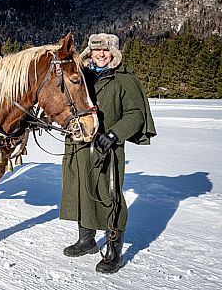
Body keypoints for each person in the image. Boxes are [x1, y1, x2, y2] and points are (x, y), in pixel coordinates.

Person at [60, 33, 156, 274]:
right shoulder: (82, 77)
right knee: (82, 190)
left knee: (110, 195)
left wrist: (114, 134)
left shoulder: (124, 80)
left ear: (113, 52)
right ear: (89, 53)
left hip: (107, 148)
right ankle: (87, 239)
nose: (100, 54)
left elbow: (135, 114)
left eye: (105, 50)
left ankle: (114, 249)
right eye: (95, 51)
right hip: (80, 144)